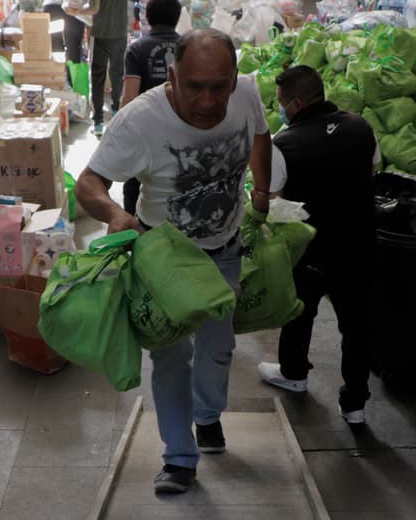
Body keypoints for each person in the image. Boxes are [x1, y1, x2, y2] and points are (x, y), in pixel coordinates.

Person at [74, 29, 273, 496]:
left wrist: (261, 192)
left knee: (219, 350)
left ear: (235, 78)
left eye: (218, 87)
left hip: (224, 249)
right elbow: (88, 182)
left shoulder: (245, 95)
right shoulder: (140, 121)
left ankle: (207, 416)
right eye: (195, 87)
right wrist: (116, 213)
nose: (207, 101)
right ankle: (179, 458)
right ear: (173, 76)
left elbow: (262, 137)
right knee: (170, 358)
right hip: (163, 260)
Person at [254, 65, 379, 424]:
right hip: (360, 243)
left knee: (299, 311)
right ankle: (355, 403)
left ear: (295, 103)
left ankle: (293, 374)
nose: (280, 109)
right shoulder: (361, 126)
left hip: (312, 250)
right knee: (357, 324)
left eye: (281, 102)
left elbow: (272, 198)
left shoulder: (284, 144)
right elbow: (371, 172)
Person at [118, 0, 183, 214]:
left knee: (135, 181)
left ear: (149, 17)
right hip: (184, 127)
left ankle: (132, 231)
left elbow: (130, 97)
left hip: (146, 129)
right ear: (177, 17)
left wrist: (121, 130)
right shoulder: (190, 47)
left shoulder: (136, 49)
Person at [67, 0, 129, 136]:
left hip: (101, 33)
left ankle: (98, 122)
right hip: (120, 32)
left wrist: (75, 10)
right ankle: (118, 109)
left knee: (98, 76)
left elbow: (94, 7)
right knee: (117, 73)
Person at [41, 0, 90, 64]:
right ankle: (72, 76)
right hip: (71, 9)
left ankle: (57, 74)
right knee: (73, 46)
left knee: (55, 45)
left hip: (51, 6)